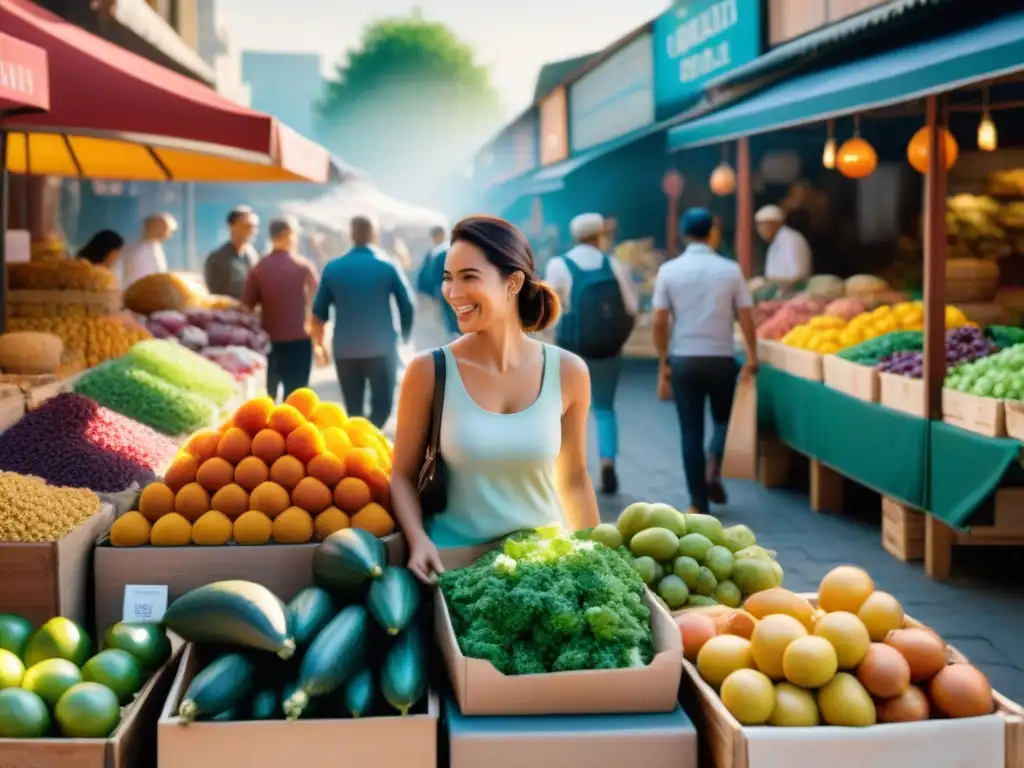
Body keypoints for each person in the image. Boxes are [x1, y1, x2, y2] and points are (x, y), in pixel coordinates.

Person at [390, 215, 600, 583]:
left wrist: (598, 559)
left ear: (513, 282)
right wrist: (418, 539)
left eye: (469, 277)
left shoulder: (569, 371)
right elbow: (402, 478)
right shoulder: (429, 370)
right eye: (447, 278)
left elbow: (575, 479)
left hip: (546, 570)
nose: (453, 293)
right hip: (454, 571)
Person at [652, 208, 758, 514]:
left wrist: (664, 359)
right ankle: (714, 469)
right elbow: (747, 316)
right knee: (724, 421)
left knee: (690, 431)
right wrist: (753, 354)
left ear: (683, 234)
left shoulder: (669, 271)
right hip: (722, 359)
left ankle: (697, 503)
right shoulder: (730, 270)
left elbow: (660, 320)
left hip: (684, 359)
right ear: (712, 231)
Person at [545, 213, 638, 495]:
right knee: (605, 408)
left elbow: (549, 312)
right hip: (608, 350)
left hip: (571, 350)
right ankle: (608, 464)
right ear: (600, 235)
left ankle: (571, 470)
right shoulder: (614, 264)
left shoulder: (559, 265)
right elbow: (632, 308)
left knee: (567, 412)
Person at [310, 216, 415, 429]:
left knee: (353, 409)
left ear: (351, 235)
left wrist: (320, 346)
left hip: (345, 350)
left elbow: (318, 313)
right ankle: (370, 439)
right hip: (382, 348)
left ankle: (358, 445)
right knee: (383, 407)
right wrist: (404, 336)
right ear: (374, 235)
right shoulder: (387, 265)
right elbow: (408, 304)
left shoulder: (333, 268)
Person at [243, 216, 320, 401]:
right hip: (300, 341)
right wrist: (320, 344)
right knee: (296, 399)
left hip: (269, 342)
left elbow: (247, 306)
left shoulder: (259, 268)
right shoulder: (303, 267)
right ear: (287, 235)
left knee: (268, 399)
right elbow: (318, 308)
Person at [204, 206, 260, 299]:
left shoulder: (252, 255)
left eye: (255, 227)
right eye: (248, 227)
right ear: (233, 227)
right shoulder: (217, 259)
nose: (253, 231)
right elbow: (215, 295)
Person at [416, 225, 460, 340]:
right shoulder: (451, 249)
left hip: (442, 292)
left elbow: (428, 277)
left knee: (448, 325)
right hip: (453, 292)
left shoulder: (437, 253)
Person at [755, 204, 812, 285]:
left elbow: (798, 276)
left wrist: (765, 282)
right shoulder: (774, 243)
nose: (761, 230)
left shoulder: (790, 239)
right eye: (759, 226)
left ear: (776, 224)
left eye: (764, 225)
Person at [119, 213, 176, 288]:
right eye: (162, 228)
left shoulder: (156, 246)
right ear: (150, 227)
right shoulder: (137, 250)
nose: (167, 233)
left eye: (168, 230)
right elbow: (141, 279)